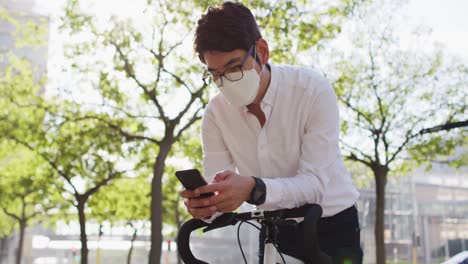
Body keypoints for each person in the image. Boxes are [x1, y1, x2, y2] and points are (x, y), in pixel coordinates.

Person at [180, 2, 363, 263]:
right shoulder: (215, 114)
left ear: (262, 52)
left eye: (233, 68)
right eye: (216, 74)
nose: (226, 82)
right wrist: (206, 206)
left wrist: (254, 189)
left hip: (332, 224)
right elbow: (218, 189)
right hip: (273, 226)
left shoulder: (312, 91)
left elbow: (314, 185)